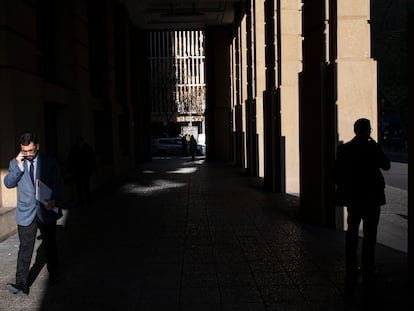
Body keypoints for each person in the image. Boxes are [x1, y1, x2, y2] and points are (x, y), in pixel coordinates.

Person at [3, 132, 64, 295]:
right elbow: (8, 183)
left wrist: (54, 200)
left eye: (31, 150)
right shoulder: (15, 163)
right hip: (26, 212)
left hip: (46, 210)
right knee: (25, 248)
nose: (28, 155)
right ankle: (21, 283)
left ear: (37, 146)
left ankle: (54, 276)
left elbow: (58, 183)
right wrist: (19, 167)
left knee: (50, 245)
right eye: (24, 151)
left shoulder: (49, 162)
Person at [335, 118, 391, 283]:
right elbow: (386, 165)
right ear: (368, 131)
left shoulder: (344, 149)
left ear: (355, 131)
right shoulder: (372, 148)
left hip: (353, 197)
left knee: (352, 232)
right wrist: (376, 146)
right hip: (372, 197)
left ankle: (351, 267)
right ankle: (369, 268)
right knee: (370, 235)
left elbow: (336, 173)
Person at [67, 136, 96, 206]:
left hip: (84, 171)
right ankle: (83, 201)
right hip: (79, 171)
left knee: (85, 186)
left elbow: (92, 159)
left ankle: (86, 200)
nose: (79, 144)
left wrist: (92, 169)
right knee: (81, 187)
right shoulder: (77, 149)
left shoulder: (86, 148)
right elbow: (71, 160)